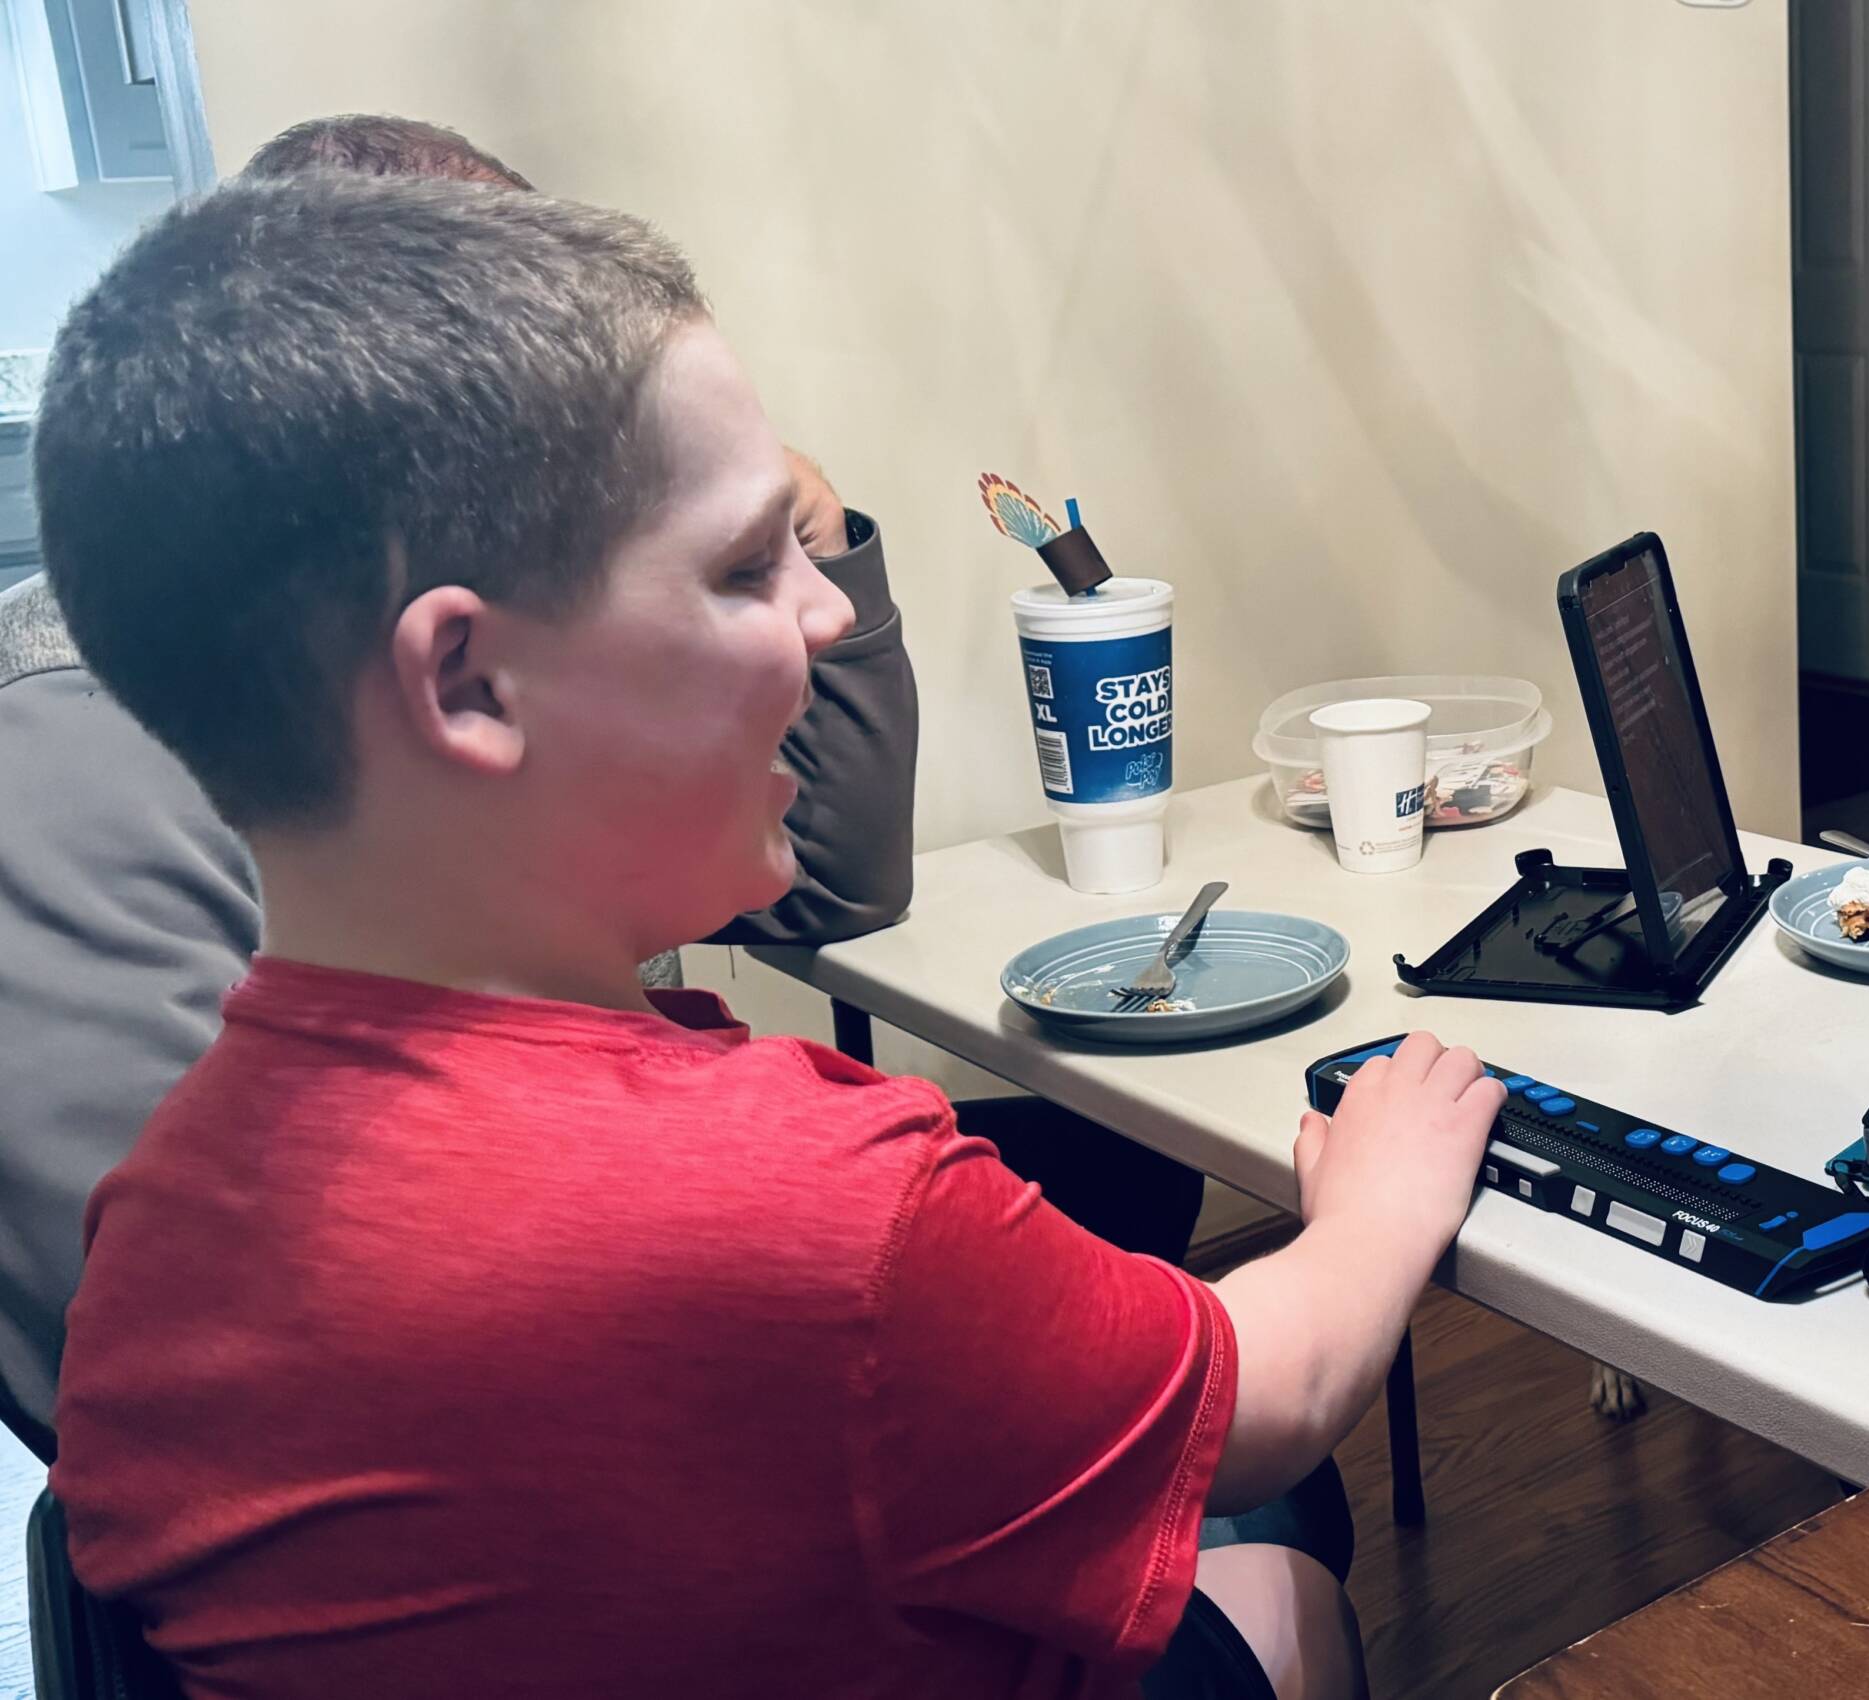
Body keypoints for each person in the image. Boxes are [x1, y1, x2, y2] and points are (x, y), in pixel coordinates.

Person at [41, 171, 1500, 1699]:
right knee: (1272, 1560)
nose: (823, 615)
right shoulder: (816, 1219)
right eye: (748, 567)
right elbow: (1275, 1391)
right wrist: (1376, 1202)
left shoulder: (150, 1228)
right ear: (467, 685)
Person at [0, 114, 1196, 1454]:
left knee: (1122, 1185)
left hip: (598, 1308)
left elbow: (835, 880)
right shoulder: (69, 764)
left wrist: (795, 543)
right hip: (514, 1426)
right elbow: (190, 1367)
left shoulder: (492, 734)